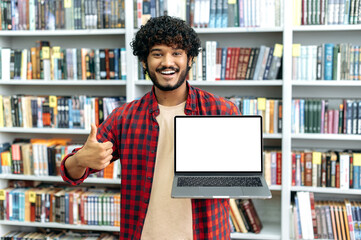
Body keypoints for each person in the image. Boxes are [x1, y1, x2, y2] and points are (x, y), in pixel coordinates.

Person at [60, 15, 240, 240]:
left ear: (190, 59)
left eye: (177, 53)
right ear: (144, 62)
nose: (167, 62)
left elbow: (239, 178)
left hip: (205, 233)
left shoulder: (222, 111)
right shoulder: (124, 117)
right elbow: (72, 173)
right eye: (157, 53)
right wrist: (80, 160)